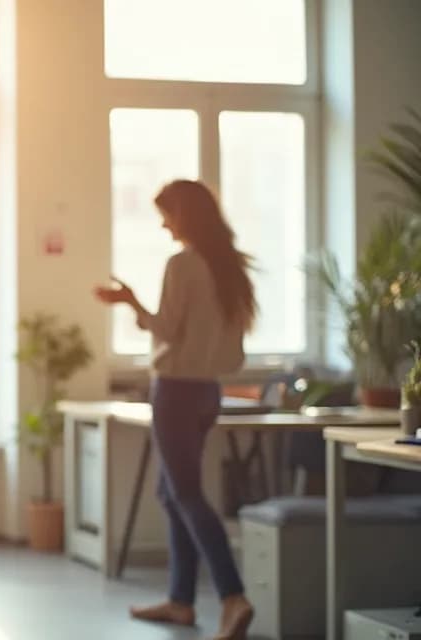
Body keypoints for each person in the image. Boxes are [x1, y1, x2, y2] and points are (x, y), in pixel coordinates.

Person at [94, 179, 257, 640]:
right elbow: (233, 344)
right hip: (208, 392)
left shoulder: (182, 264)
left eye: (167, 214)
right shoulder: (230, 267)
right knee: (171, 493)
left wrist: (130, 303)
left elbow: (166, 329)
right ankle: (181, 601)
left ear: (184, 215)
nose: (164, 225)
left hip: (176, 392)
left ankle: (233, 596)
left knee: (185, 494)